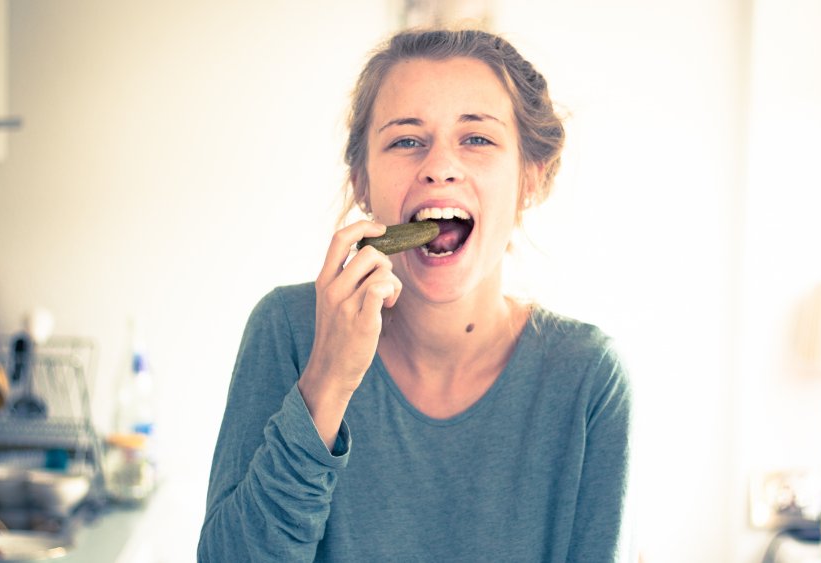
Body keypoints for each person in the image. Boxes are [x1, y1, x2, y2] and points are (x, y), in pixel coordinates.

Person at [198, 27, 634, 562]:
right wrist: (327, 382)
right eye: (406, 140)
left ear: (531, 178)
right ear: (361, 181)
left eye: (477, 138)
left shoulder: (587, 379)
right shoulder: (290, 330)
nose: (439, 166)